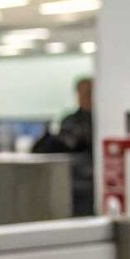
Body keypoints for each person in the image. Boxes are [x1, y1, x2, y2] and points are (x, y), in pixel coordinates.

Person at [31, 77, 95, 216]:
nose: (87, 96)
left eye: (90, 92)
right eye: (84, 92)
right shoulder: (71, 121)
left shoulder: (103, 121)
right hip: (73, 184)